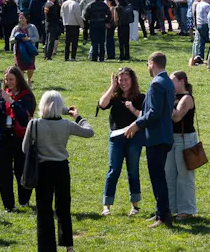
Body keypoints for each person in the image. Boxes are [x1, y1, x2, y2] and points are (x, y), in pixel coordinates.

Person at [23, 91, 94, 252]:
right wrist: (77, 116)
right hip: (61, 168)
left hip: (43, 169)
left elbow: (24, 148)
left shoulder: (34, 124)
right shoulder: (66, 125)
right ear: (60, 106)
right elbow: (89, 132)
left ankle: (46, 247)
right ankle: (68, 245)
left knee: (44, 210)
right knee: (63, 207)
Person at [124, 51, 175, 228]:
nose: (147, 67)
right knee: (158, 176)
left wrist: (136, 125)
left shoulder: (156, 84)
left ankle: (163, 216)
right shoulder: (167, 81)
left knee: (157, 177)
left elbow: (153, 113)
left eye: (147, 64)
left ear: (152, 63)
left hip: (156, 137)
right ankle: (160, 212)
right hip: (165, 136)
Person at [99, 66, 145, 217]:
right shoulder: (115, 96)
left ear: (132, 80)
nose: (123, 82)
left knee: (133, 171)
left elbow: (145, 118)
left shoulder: (140, 98)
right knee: (113, 170)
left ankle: (135, 206)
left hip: (134, 138)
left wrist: (132, 109)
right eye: (120, 80)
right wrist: (112, 87)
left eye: (126, 79)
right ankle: (107, 206)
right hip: (116, 138)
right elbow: (102, 104)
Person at [0, 66, 35, 212]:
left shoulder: (27, 96)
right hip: (3, 137)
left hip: (20, 138)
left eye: (11, 79)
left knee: (21, 170)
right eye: (6, 79)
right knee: (2, 172)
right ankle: (8, 205)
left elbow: (25, 116)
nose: (8, 82)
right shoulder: (2, 94)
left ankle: (24, 200)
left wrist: (11, 101)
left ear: (18, 79)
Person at [165, 71, 198, 219]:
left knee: (184, 176)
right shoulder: (173, 97)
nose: (170, 85)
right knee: (170, 175)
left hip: (185, 140)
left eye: (172, 82)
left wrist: (164, 103)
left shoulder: (187, 98)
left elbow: (177, 117)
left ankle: (187, 210)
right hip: (171, 139)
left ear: (182, 81)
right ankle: (172, 208)